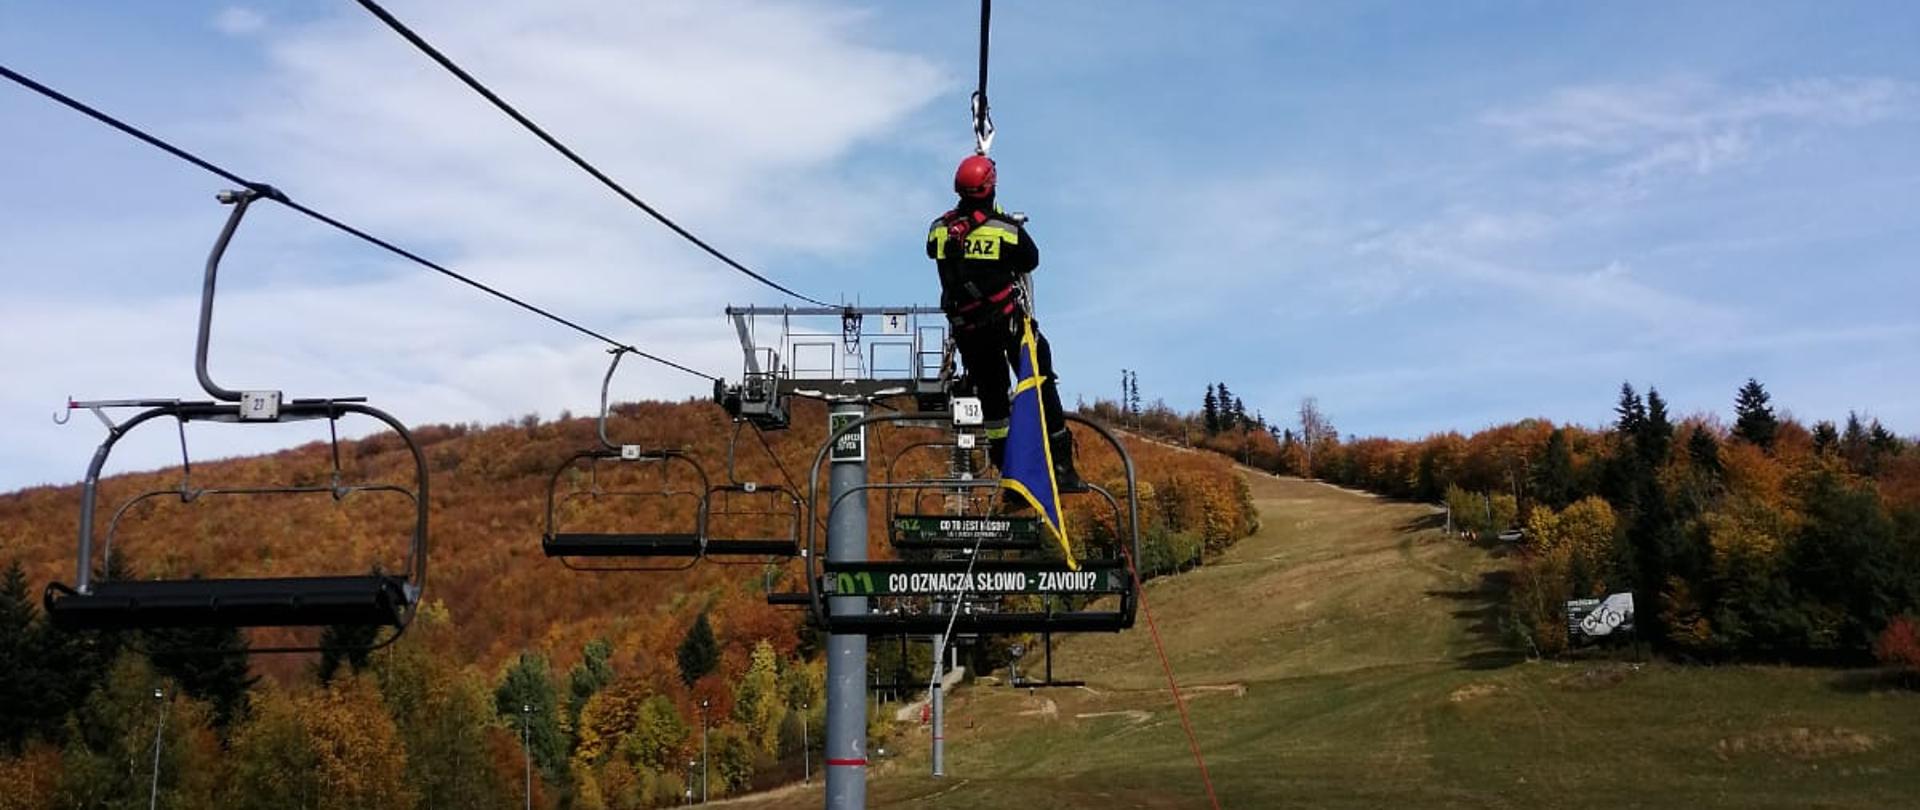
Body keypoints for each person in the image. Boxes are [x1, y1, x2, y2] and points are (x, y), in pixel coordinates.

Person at [926, 154, 1084, 492]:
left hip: (968, 331)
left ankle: (1009, 470)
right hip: (1005, 323)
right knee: (1041, 380)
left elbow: (933, 250)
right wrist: (1000, 220)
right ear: (990, 186)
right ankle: (1061, 465)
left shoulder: (938, 230)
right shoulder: (1006, 231)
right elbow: (1031, 259)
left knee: (994, 400)